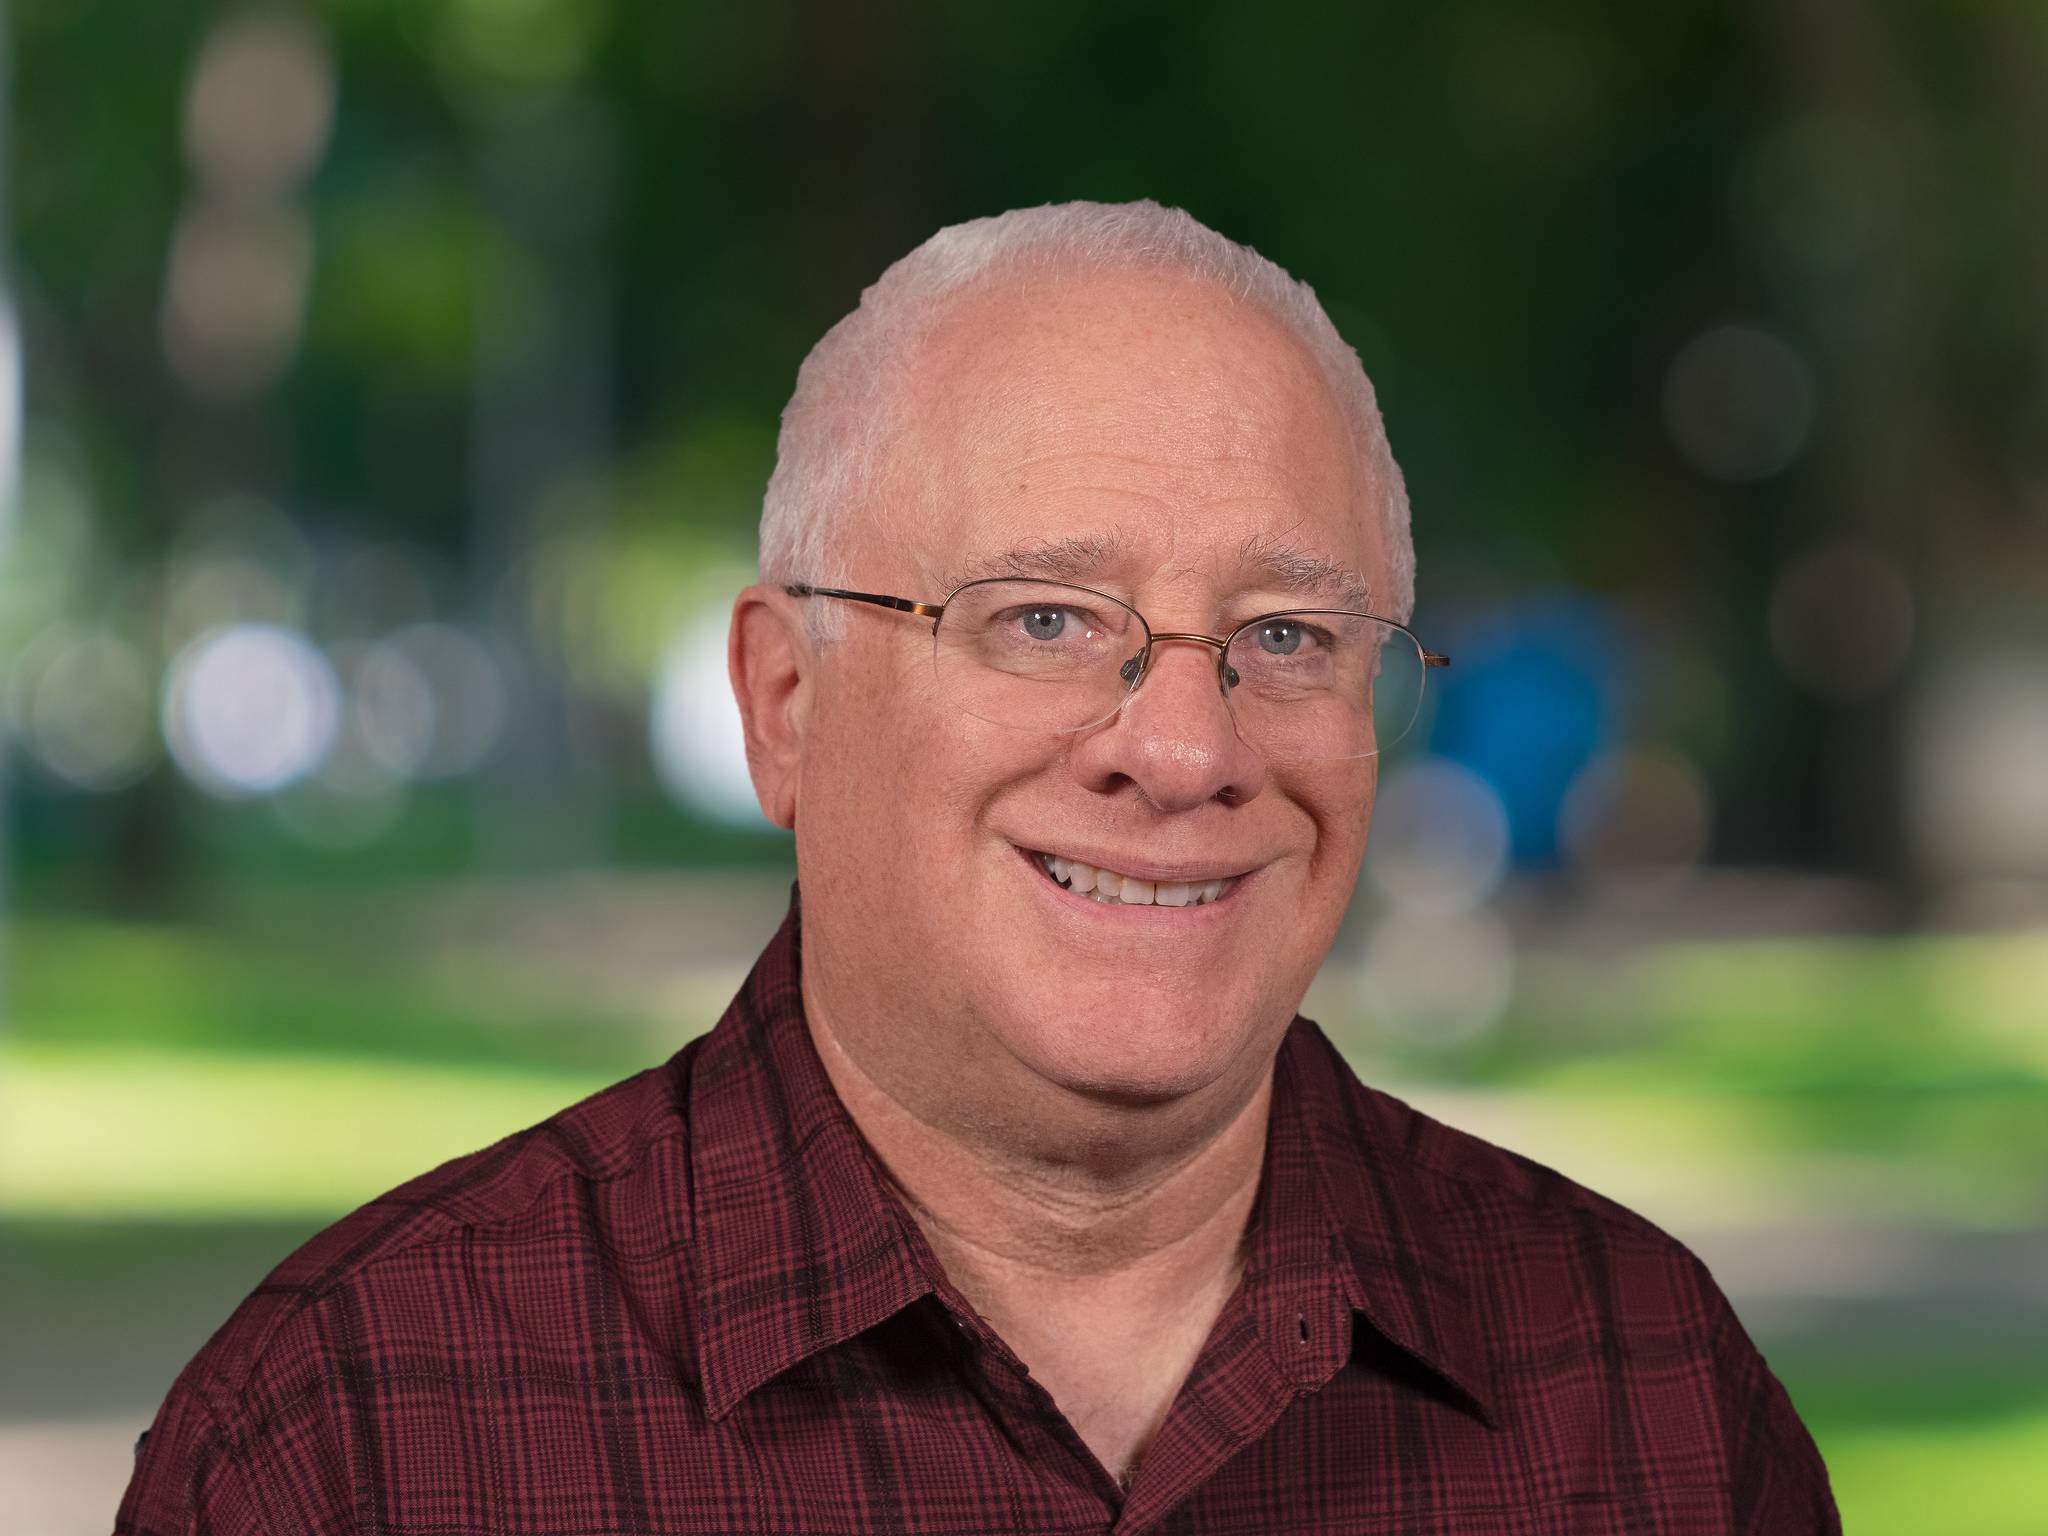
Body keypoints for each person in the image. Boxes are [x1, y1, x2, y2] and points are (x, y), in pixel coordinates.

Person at [120, 201, 1839, 1534]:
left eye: (1291, 633)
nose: (1181, 748)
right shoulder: (359, 1437)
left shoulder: (1650, 1399)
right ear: (784, 706)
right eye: (1044, 618)